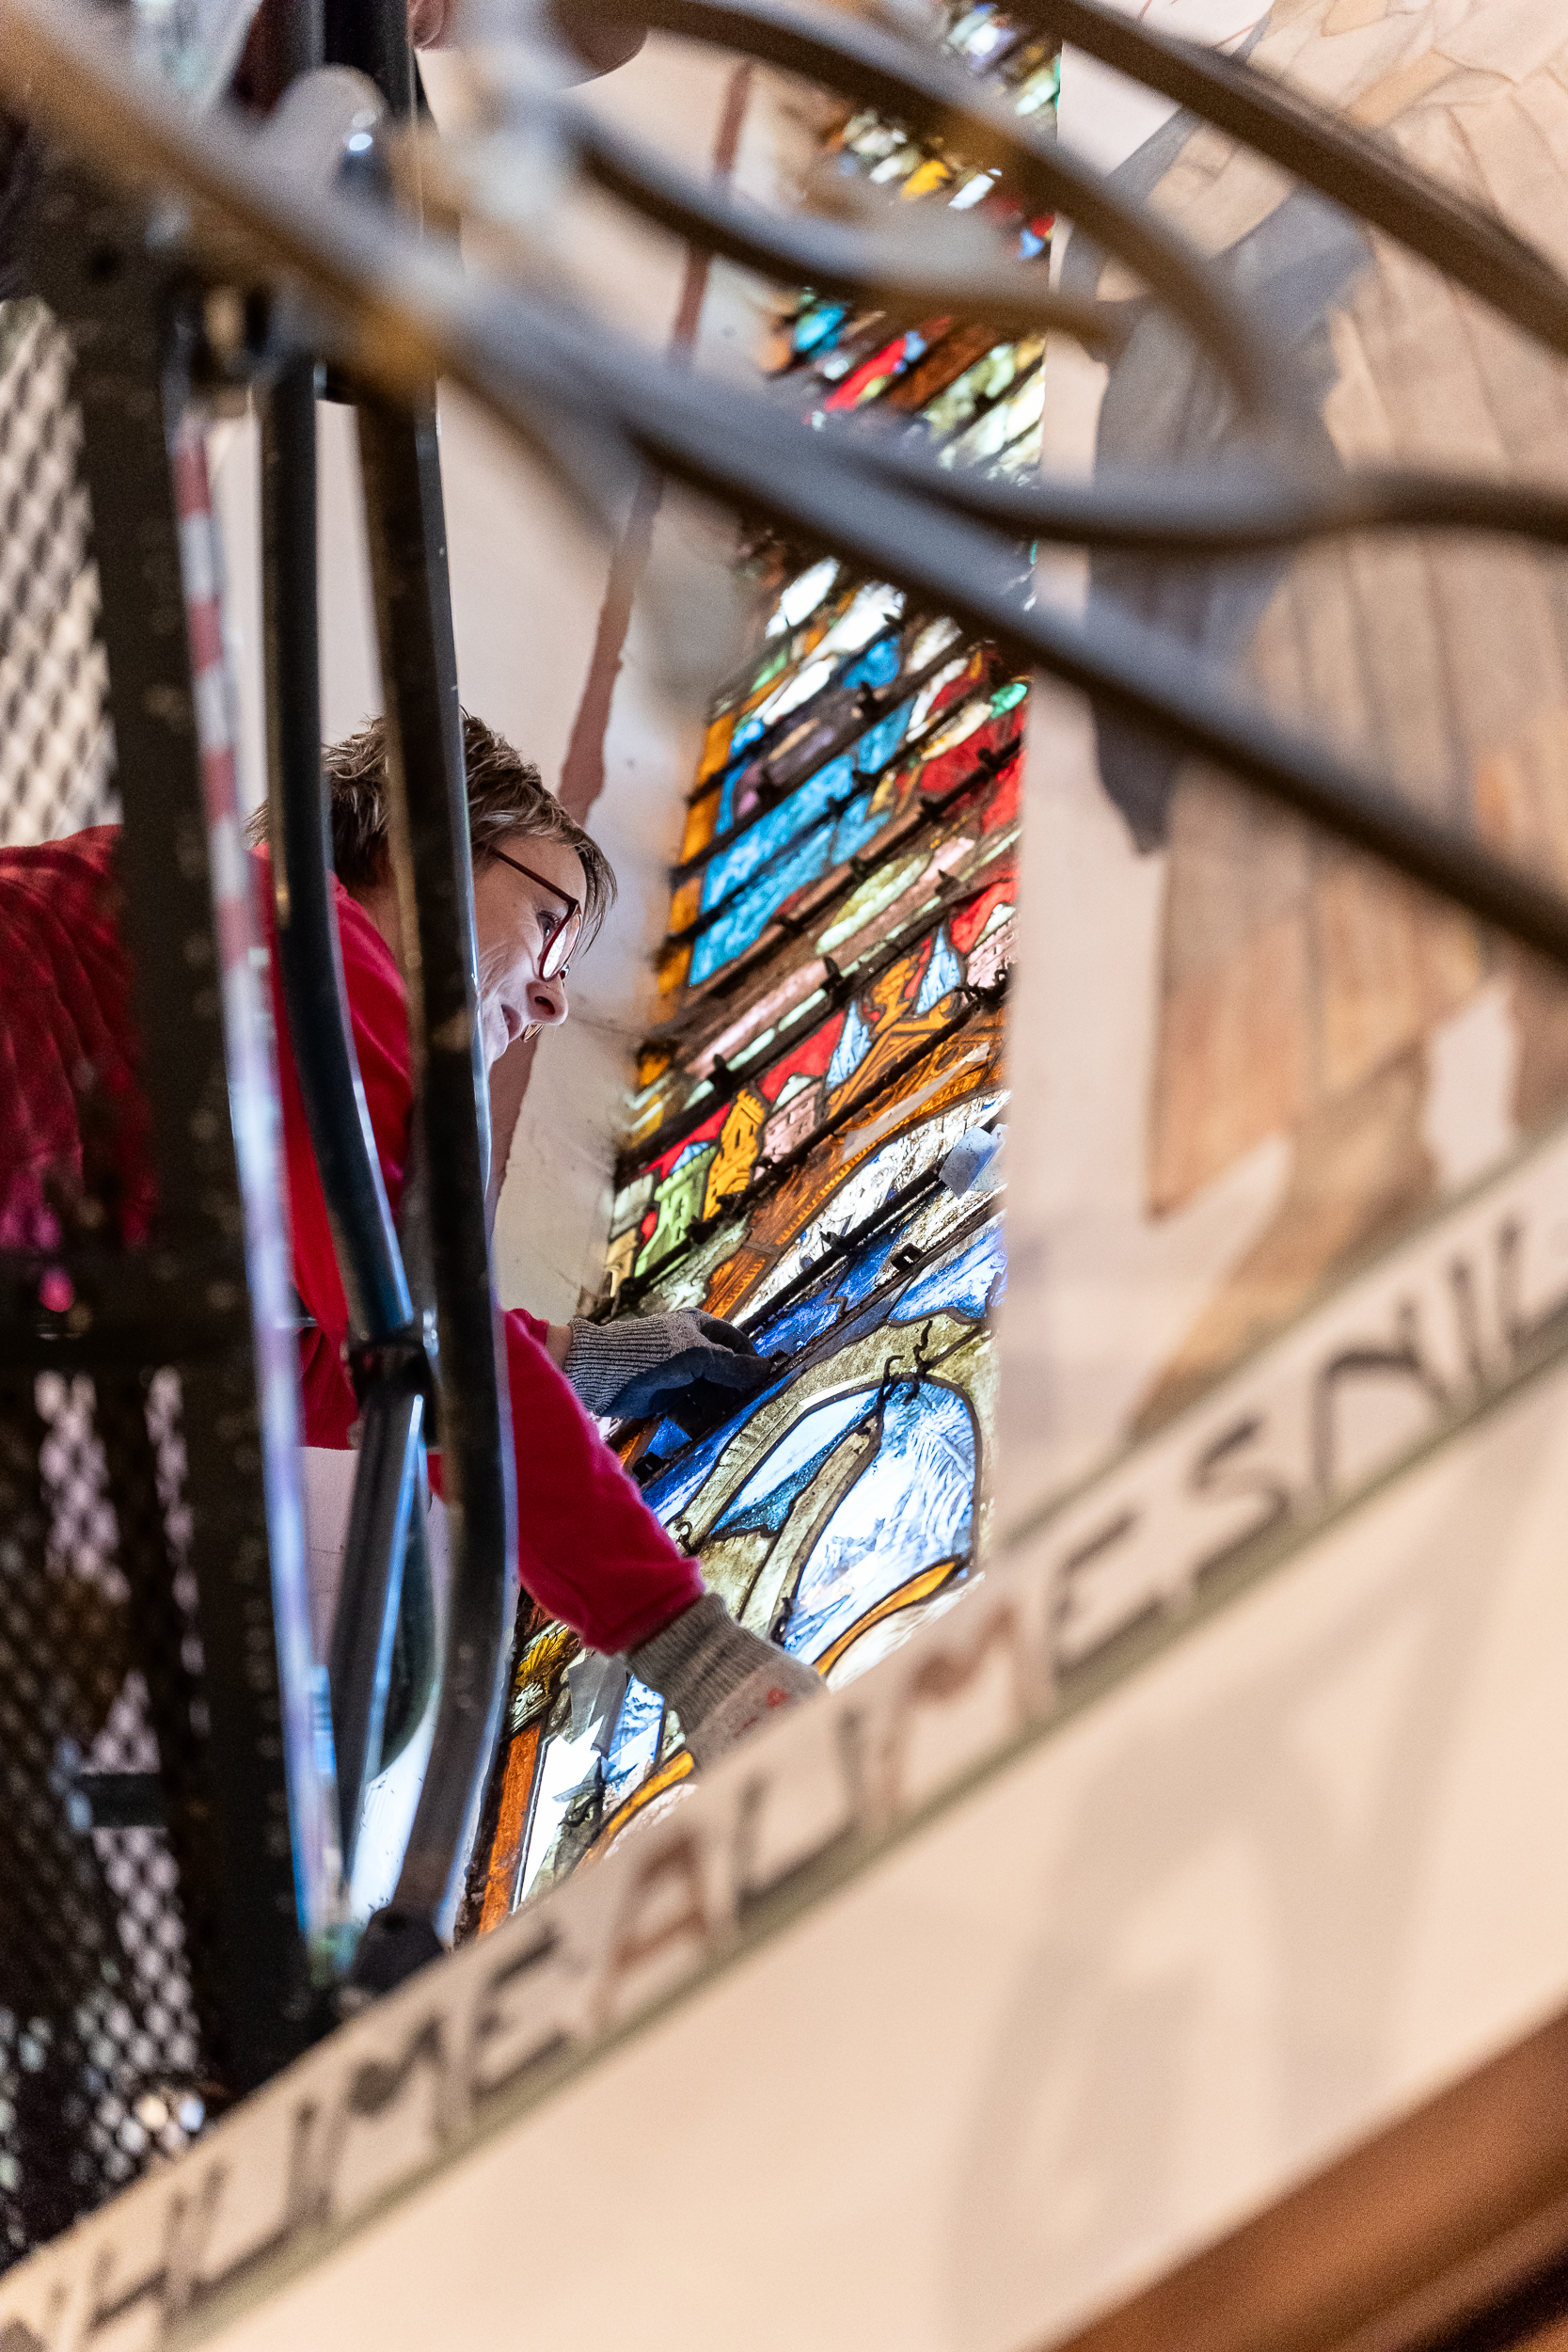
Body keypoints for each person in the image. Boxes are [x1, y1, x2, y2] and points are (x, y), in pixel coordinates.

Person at [0, 712, 822, 1768]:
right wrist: (698, 1657)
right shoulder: (299, 929)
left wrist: (587, 1360)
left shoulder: (193, 995)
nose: (553, 996)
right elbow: (412, 1324)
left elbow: (306, 1339)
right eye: (550, 919)